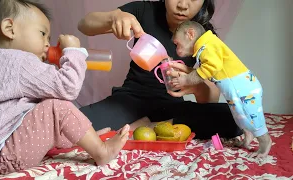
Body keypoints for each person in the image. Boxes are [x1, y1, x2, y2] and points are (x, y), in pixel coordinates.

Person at [0, 0, 129, 175]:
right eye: (42, 34)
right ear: (10, 29)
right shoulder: (20, 62)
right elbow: (68, 87)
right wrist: (73, 51)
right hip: (0, 154)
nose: (47, 44)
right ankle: (101, 151)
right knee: (56, 107)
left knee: (44, 109)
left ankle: (86, 140)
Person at [78, 0, 243, 139]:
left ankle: (150, 125)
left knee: (238, 119)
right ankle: (147, 125)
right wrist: (113, 17)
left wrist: (194, 84)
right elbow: (84, 25)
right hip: (129, 101)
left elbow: (211, 99)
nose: (183, 5)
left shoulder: (204, 35)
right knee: (71, 124)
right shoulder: (144, 11)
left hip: (172, 108)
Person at [169, 21, 272, 157]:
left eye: (177, 44)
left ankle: (265, 143)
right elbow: (205, 72)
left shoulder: (207, 46)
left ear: (190, 34)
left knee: (250, 114)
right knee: (239, 115)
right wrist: (188, 72)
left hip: (244, 87)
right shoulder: (206, 46)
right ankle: (248, 137)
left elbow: (210, 68)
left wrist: (186, 80)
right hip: (236, 89)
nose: (177, 49)